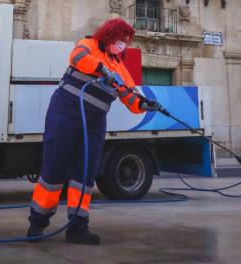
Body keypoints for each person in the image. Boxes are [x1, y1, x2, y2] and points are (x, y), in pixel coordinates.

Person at [26, 19, 159, 245]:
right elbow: (76, 58)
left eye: (125, 43)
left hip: (94, 122)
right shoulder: (89, 45)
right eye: (120, 40)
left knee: (85, 172)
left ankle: (78, 227)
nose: (122, 46)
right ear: (108, 35)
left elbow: (130, 95)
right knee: (55, 167)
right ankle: (37, 223)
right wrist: (101, 69)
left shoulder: (119, 66)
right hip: (65, 112)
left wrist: (144, 105)